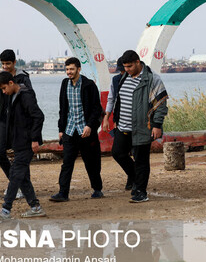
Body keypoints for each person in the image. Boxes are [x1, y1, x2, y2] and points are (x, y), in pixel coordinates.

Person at [111, 50, 168, 203]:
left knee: (142, 160)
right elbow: (119, 100)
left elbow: (161, 104)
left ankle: (141, 192)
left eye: (129, 66)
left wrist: (157, 125)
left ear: (138, 62)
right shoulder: (124, 77)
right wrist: (114, 118)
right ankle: (136, 178)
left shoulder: (152, 79)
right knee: (117, 153)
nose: (127, 70)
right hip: (123, 127)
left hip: (143, 127)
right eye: (125, 67)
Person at [0, 71, 46, 219]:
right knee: (22, 177)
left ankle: (5, 210)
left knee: (15, 174)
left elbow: (39, 116)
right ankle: (35, 207)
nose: (3, 92)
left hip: (27, 142)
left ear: (11, 83)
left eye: (4, 88)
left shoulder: (26, 95)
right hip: (18, 141)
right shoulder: (12, 96)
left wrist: (34, 139)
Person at [50, 57, 104, 202]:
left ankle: (97, 189)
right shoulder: (64, 83)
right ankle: (63, 193)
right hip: (69, 130)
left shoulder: (88, 85)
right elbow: (63, 108)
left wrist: (90, 126)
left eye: (72, 69)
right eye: (67, 69)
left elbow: (96, 109)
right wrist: (61, 129)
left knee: (91, 161)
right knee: (67, 162)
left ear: (79, 69)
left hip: (85, 131)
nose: (69, 72)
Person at [0, 49, 33, 199]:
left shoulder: (23, 78)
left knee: (21, 155)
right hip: (3, 120)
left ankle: (24, 189)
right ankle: (16, 184)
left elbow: (30, 99)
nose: (5, 66)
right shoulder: (1, 78)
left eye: (8, 63)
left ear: (14, 62)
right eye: (3, 64)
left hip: (19, 123)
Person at [102, 55, 133, 191]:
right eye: (121, 70)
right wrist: (106, 117)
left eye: (125, 70)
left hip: (138, 123)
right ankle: (133, 175)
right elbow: (111, 99)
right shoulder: (116, 80)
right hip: (120, 122)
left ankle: (135, 180)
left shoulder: (137, 79)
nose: (123, 73)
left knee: (137, 153)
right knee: (118, 152)